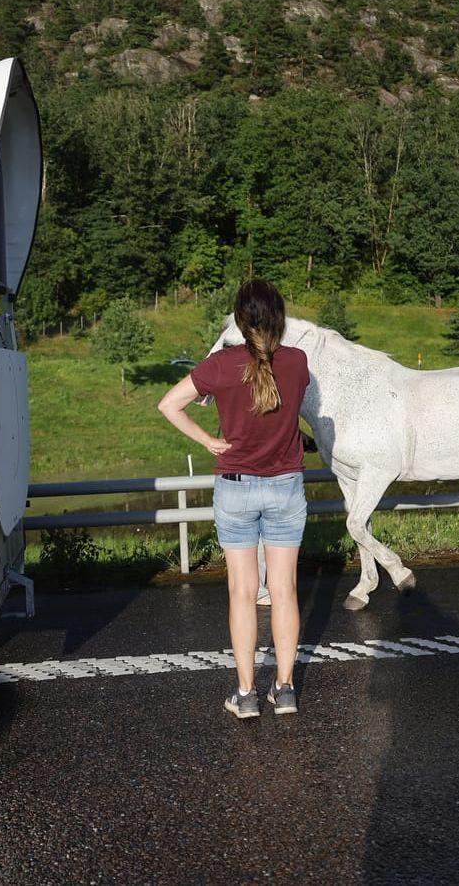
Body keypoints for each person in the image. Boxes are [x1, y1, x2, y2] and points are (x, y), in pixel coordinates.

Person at [157, 279, 310, 719]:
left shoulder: (221, 365)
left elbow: (169, 405)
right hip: (285, 486)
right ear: (280, 318)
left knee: (242, 593)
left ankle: (245, 695)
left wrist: (209, 440)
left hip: (236, 487)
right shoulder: (298, 363)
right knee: (284, 591)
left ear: (240, 322)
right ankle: (284, 690)